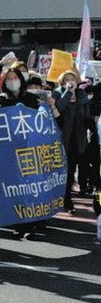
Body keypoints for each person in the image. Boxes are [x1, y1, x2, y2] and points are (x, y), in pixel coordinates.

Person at [54, 69, 91, 216]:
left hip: (78, 137)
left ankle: (67, 197)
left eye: (73, 79)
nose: (71, 82)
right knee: (65, 170)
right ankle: (66, 199)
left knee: (72, 169)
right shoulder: (58, 94)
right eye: (67, 79)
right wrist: (68, 92)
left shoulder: (82, 95)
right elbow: (59, 108)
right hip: (63, 137)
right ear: (62, 82)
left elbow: (87, 115)